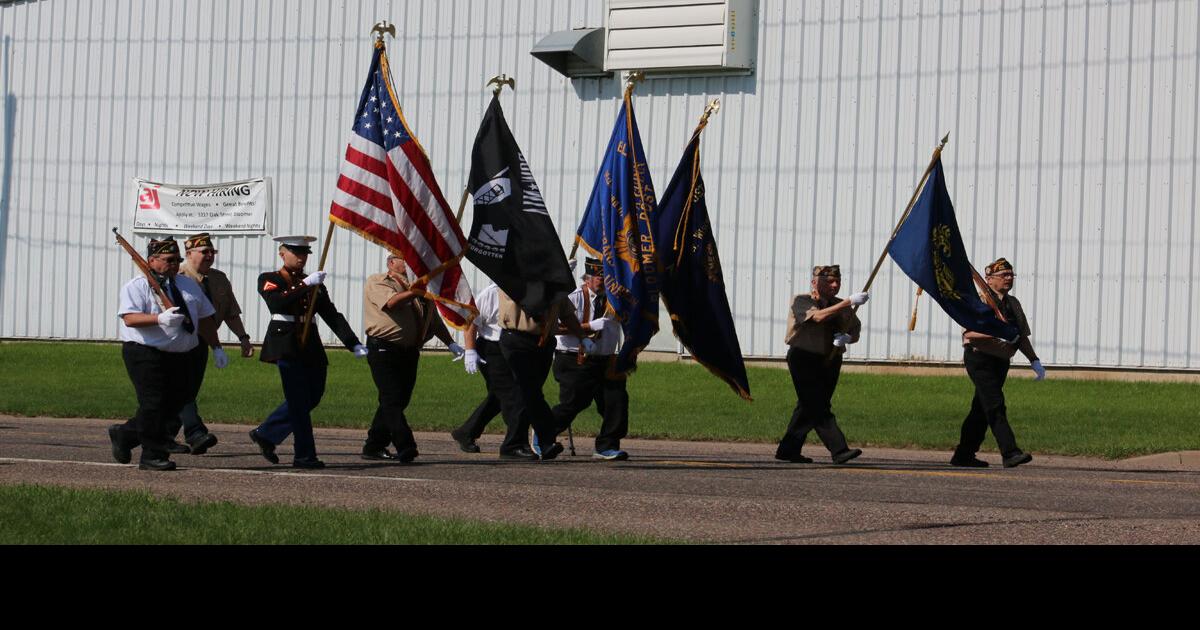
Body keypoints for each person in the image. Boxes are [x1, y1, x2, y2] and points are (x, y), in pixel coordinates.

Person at [108, 237, 230, 471]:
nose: (174, 264)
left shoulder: (187, 285)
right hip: (145, 352)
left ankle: (125, 435)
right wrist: (159, 318)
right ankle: (152, 455)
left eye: (177, 260)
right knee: (153, 404)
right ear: (151, 260)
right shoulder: (137, 286)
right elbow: (130, 318)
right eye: (168, 260)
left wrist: (216, 347)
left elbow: (205, 319)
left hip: (182, 355)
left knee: (175, 404)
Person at [248, 235, 367, 469]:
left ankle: (266, 433)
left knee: (313, 395)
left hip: (310, 343)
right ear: (282, 254)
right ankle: (304, 455)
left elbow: (331, 315)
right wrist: (306, 285)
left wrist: (353, 343)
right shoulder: (270, 278)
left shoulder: (313, 283)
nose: (301, 258)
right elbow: (277, 304)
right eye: (296, 253)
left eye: (304, 254)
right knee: (298, 401)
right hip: (285, 343)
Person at [360, 254, 464, 463]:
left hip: (409, 351)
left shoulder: (419, 287)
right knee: (392, 398)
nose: (410, 262)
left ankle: (374, 445)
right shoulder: (379, 281)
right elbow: (391, 302)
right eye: (404, 258)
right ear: (391, 263)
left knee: (398, 399)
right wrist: (419, 289)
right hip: (383, 348)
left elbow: (433, 320)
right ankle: (406, 445)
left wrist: (450, 343)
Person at [952, 257, 1045, 469]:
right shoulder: (980, 302)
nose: (1009, 278)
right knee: (995, 404)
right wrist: (999, 334)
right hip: (980, 359)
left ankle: (964, 454)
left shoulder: (1013, 304)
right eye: (1004, 275)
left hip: (1000, 361)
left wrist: (1034, 360)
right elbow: (970, 333)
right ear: (989, 279)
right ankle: (1010, 452)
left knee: (980, 409)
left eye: (1011, 274)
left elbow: (1020, 335)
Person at [775, 265, 869, 465]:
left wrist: (847, 338)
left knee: (808, 405)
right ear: (815, 282)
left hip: (831, 359)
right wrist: (847, 302)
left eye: (838, 282)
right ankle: (839, 450)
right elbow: (817, 317)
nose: (834, 285)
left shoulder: (841, 305)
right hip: (803, 358)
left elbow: (855, 331)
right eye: (829, 282)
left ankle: (788, 449)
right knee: (818, 405)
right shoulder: (802, 301)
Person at [172, 232, 255, 454]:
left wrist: (243, 338)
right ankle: (195, 433)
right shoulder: (178, 277)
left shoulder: (219, 278)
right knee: (183, 390)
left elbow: (230, 313)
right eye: (204, 252)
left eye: (212, 252)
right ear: (189, 254)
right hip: (179, 342)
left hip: (203, 343)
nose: (209, 256)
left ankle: (149, 435)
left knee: (184, 391)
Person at [496, 286, 594, 461]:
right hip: (517, 339)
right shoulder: (514, 278)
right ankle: (540, 440)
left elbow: (566, 313)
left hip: (544, 341)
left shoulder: (552, 281)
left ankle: (518, 444)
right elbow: (530, 299)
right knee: (529, 393)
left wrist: (582, 337)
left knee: (528, 395)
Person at [548, 257, 629, 460]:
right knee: (574, 402)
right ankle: (543, 433)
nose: (602, 281)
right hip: (574, 358)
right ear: (587, 278)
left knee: (616, 402)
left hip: (606, 359)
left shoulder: (615, 300)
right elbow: (553, 328)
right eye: (598, 277)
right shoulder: (573, 298)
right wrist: (588, 327)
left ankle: (606, 445)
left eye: (606, 277)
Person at [450, 282, 534, 459]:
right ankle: (516, 443)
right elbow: (472, 322)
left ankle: (466, 432)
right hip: (492, 349)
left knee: (498, 396)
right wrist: (470, 350)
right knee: (513, 396)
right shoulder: (491, 292)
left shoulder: (525, 290)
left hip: (514, 348)